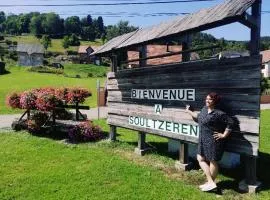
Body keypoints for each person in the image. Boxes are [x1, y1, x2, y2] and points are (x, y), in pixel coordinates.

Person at [185, 92, 233, 192]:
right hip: (203, 139)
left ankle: (210, 183)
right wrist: (188, 111)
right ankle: (211, 182)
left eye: (210, 99)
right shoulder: (204, 109)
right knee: (200, 158)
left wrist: (224, 135)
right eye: (206, 99)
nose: (207, 100)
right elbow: (198, 117)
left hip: (214, 141)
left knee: (212, 160)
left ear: (215, 101)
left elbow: (230, 123)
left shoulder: (218, 113)